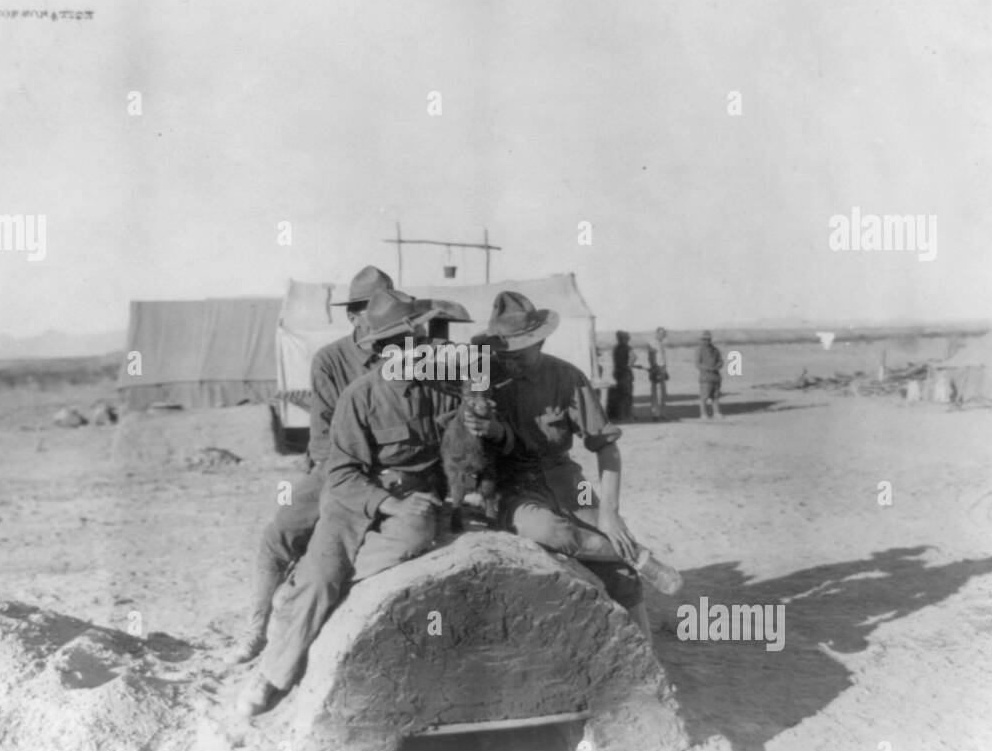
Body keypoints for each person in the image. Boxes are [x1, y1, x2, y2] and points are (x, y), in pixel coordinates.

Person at [236, 289, 460, 717]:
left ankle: (319, 583)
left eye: (417, 341)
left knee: (417, 534)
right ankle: (272, 673)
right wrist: (387, 504)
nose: (413, 350)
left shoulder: (445, 390)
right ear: (381, 349)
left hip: (410, 497)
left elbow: (458, 446)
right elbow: (340, 474)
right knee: (321, 578)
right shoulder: (360, 397)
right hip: (351, 499)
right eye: (398, 344)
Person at [464, 292, 682, 644]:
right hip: (512, 485)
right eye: (504, 353)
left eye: (519, 353)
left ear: (541, 340)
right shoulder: (482, 379)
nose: (511, 362)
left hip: (566, 478)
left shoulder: (566, 378)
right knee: (552, 532)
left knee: (621, 574)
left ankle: (646, 656)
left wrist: (610, 513)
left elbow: (606, 446)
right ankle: (640, 555)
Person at [222, 265, 395, 665]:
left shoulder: (415, 357)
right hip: (338, 466)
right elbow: (324, 439)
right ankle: (256, 628)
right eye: (374, 309)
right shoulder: (331, 360)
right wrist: (353, 479)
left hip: (394, 469)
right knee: (277, 537)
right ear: (353, 315)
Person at [605, 331, 635, 423]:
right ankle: (627, 416)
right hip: (625, 373)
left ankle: (621, 416)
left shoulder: (616, 348)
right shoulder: (627, 347)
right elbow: (633, 357)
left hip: (618, 373)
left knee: (620, 396)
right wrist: (629, 365)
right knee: (627, 396)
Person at [696, 331, 724, 421]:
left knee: (715, 396)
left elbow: (721, 361)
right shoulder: (699, 350)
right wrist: (708, 368)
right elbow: (698, 364)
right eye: (704, 339)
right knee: (704, 397)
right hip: (705, 377)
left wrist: (717, 367)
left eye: (708, 339)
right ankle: (703, 414)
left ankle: (716, 413)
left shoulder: (715, 350)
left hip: (715, 376)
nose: (706, 341)